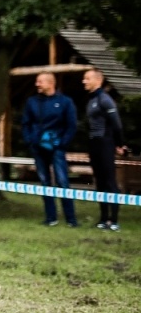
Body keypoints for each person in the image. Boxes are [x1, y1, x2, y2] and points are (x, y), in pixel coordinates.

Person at [19, 71, 79, 227]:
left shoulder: (65, 102)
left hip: (57, 148)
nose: (37, 84)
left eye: (40, 81)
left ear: (51, 83)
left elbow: (71, 125)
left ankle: (71, 219)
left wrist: (62, 143)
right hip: (38, 147)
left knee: (62, 181)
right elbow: (26, 123)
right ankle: (51, 217)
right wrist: (30, 140)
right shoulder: (32, 102)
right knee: (45, 182)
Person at [82, 68, 127, 232]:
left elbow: (116, 124)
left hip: (105, 143)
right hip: (94, 144)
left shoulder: (105, 99)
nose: (83, 81)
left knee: (110, 181)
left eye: (87, 78)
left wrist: (120, 144)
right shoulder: (90, 100)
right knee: (99, 182)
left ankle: (113, 220)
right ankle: (103, 218)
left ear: (98, 80)